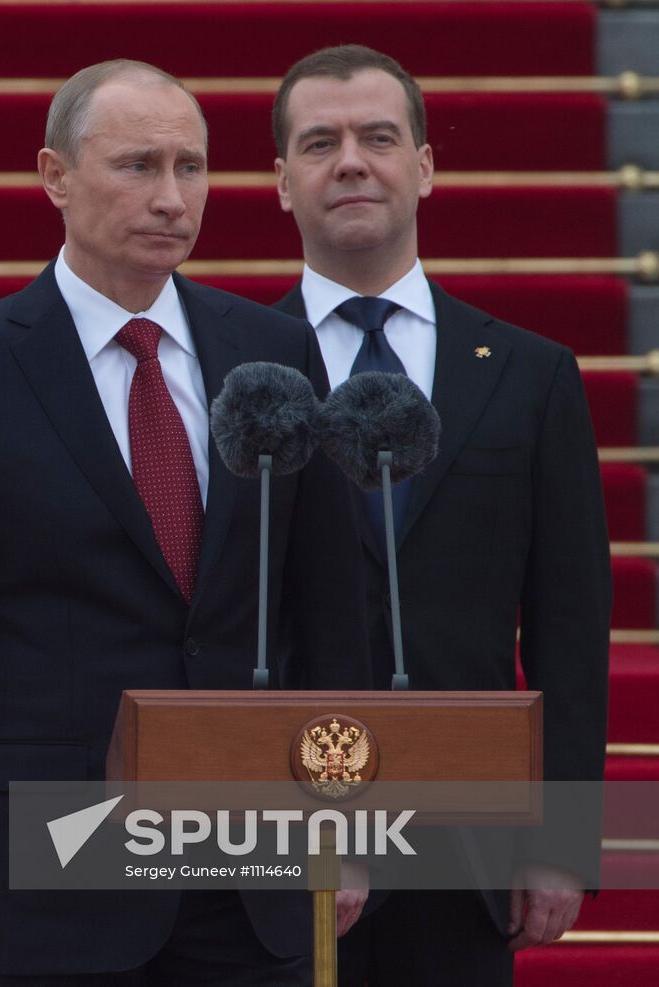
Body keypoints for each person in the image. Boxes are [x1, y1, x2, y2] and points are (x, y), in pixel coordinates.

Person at [0, 59, 371, 986]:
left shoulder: (276, 352)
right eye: (138, 166)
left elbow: (329, 614)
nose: (172, 198)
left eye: (193, 167)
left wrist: (349, 820)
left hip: (253, 860)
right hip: (54, 870)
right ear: (55, 176)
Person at [270, 44, 612, 986]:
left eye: (379, 137)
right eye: (320, 143)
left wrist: (561, 836)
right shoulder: (234, 375)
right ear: (281, 182)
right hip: (279, 850)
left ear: (424, 166)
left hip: (469, 847)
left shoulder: (532, 377)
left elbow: (570, 627)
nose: (351, 161)